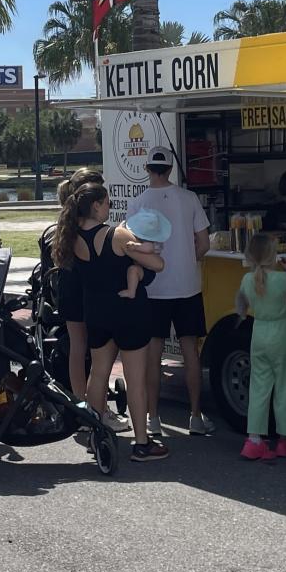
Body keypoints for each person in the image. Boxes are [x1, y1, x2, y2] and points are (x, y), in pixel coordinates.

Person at [53, 182, 170, 462]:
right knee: (135, 379)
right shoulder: (116, 234)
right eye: (107, 203)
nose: (110, 207)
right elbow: (157, 265)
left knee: (98, 374)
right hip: (128, 313)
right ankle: (141, 443)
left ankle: (97, 435)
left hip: (96, 313)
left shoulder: (72, 238)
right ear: (96, 206)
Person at [127, 146, 215, 438]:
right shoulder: (189, 198)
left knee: (154, 355)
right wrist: (188, 260)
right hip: (187, 286)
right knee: (191, 352)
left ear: (147, 169)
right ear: (170, 169)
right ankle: (195, 416)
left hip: (154, 287)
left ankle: (153, 417)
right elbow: (204, 243)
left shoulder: (137, 202)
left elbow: (132, 247)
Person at [39, 168, 130, 433]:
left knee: (78, 349)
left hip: (69, 290)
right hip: (86, 290)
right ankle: (95, 410)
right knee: (97, 353)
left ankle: (81, 407)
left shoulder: (66, 223)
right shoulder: (88, 226)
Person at [236, 233, 286, 461]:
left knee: (259, 387)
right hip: (281, 332)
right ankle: (285, 439)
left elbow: (243, 304)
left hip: (259, 332)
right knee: (285, 385)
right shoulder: (282, 279)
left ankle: (254, 440)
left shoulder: (247, 280)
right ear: (273, 255)